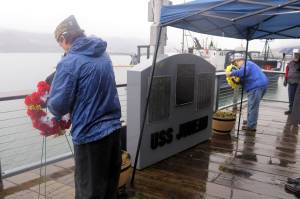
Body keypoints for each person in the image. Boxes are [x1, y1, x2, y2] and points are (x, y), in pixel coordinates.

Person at [47, 15, 122, 199]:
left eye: (60, 42)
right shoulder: (102, 53)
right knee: (109, 189)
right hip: (113, 132)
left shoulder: (69, 62)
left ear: (64, 38)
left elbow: (58, 106)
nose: (61, 47)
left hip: (90, 137)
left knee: (89, 192)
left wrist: (49, 94)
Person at [225, 53, 268, 132]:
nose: (237, 66)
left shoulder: (246, 64)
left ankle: (251, 126)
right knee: (251, 105)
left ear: (239, 60)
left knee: (253, 107)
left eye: (236, 63)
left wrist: (231, 73)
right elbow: (243, 79)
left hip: (256, 87)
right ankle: (250, 121)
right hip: (261, 85)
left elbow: (244, 72)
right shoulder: (250, 64)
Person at [283, 48, 300, 115]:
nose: (296, 56)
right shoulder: (290, 63)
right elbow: (287, 71)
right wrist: (285, 79)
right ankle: (291, 109)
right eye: (295, 54)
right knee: (291, 97)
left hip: (299, 84)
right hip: (291, 82)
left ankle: (297, 111)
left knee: (298, 98)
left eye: (297, 54)